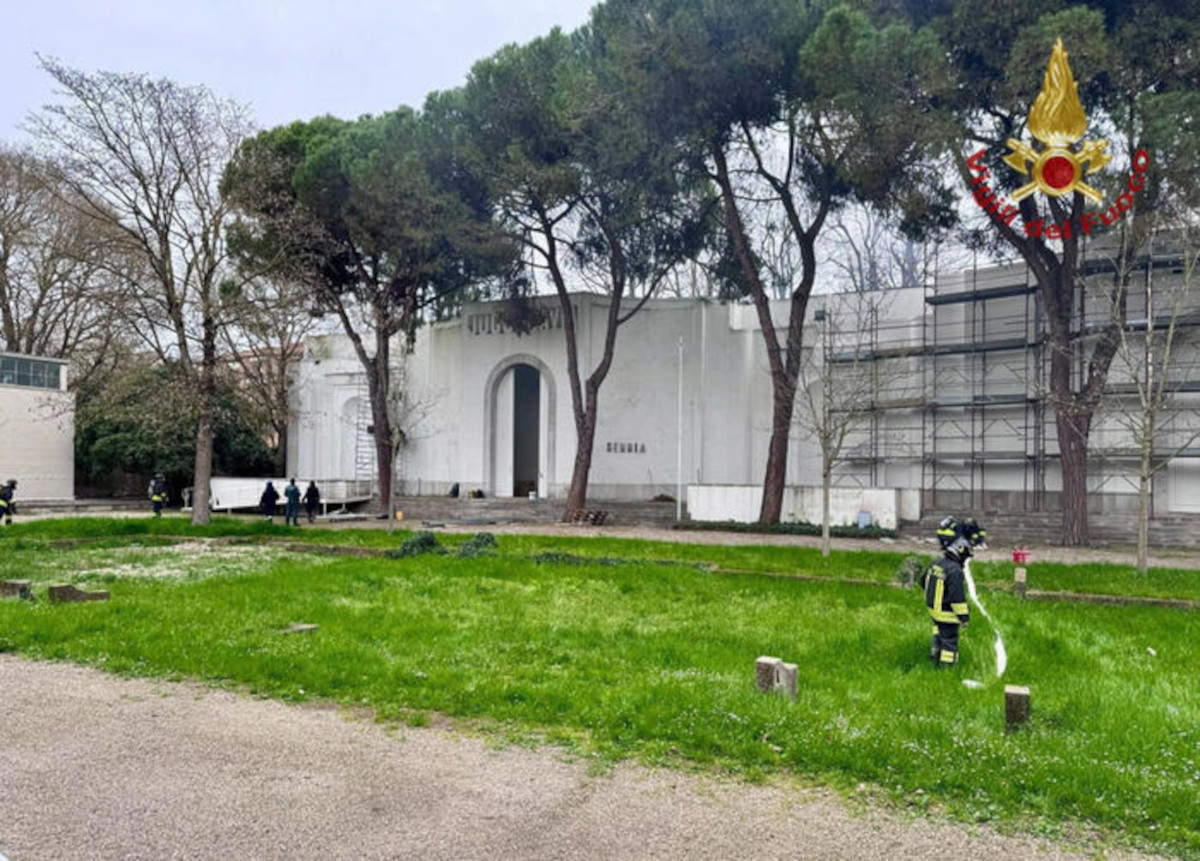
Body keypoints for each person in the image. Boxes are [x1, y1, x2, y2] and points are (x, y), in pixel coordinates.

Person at [920, 515, 987, 667]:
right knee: (950, 643)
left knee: (938, 634)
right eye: (968, 552)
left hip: (934, 611)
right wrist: (964, 617)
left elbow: (923, 581)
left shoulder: (937, 563)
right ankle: (946, 668)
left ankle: (934, 657)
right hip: (947, 615)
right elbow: (957, 598)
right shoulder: (955, 571)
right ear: (960, 548)